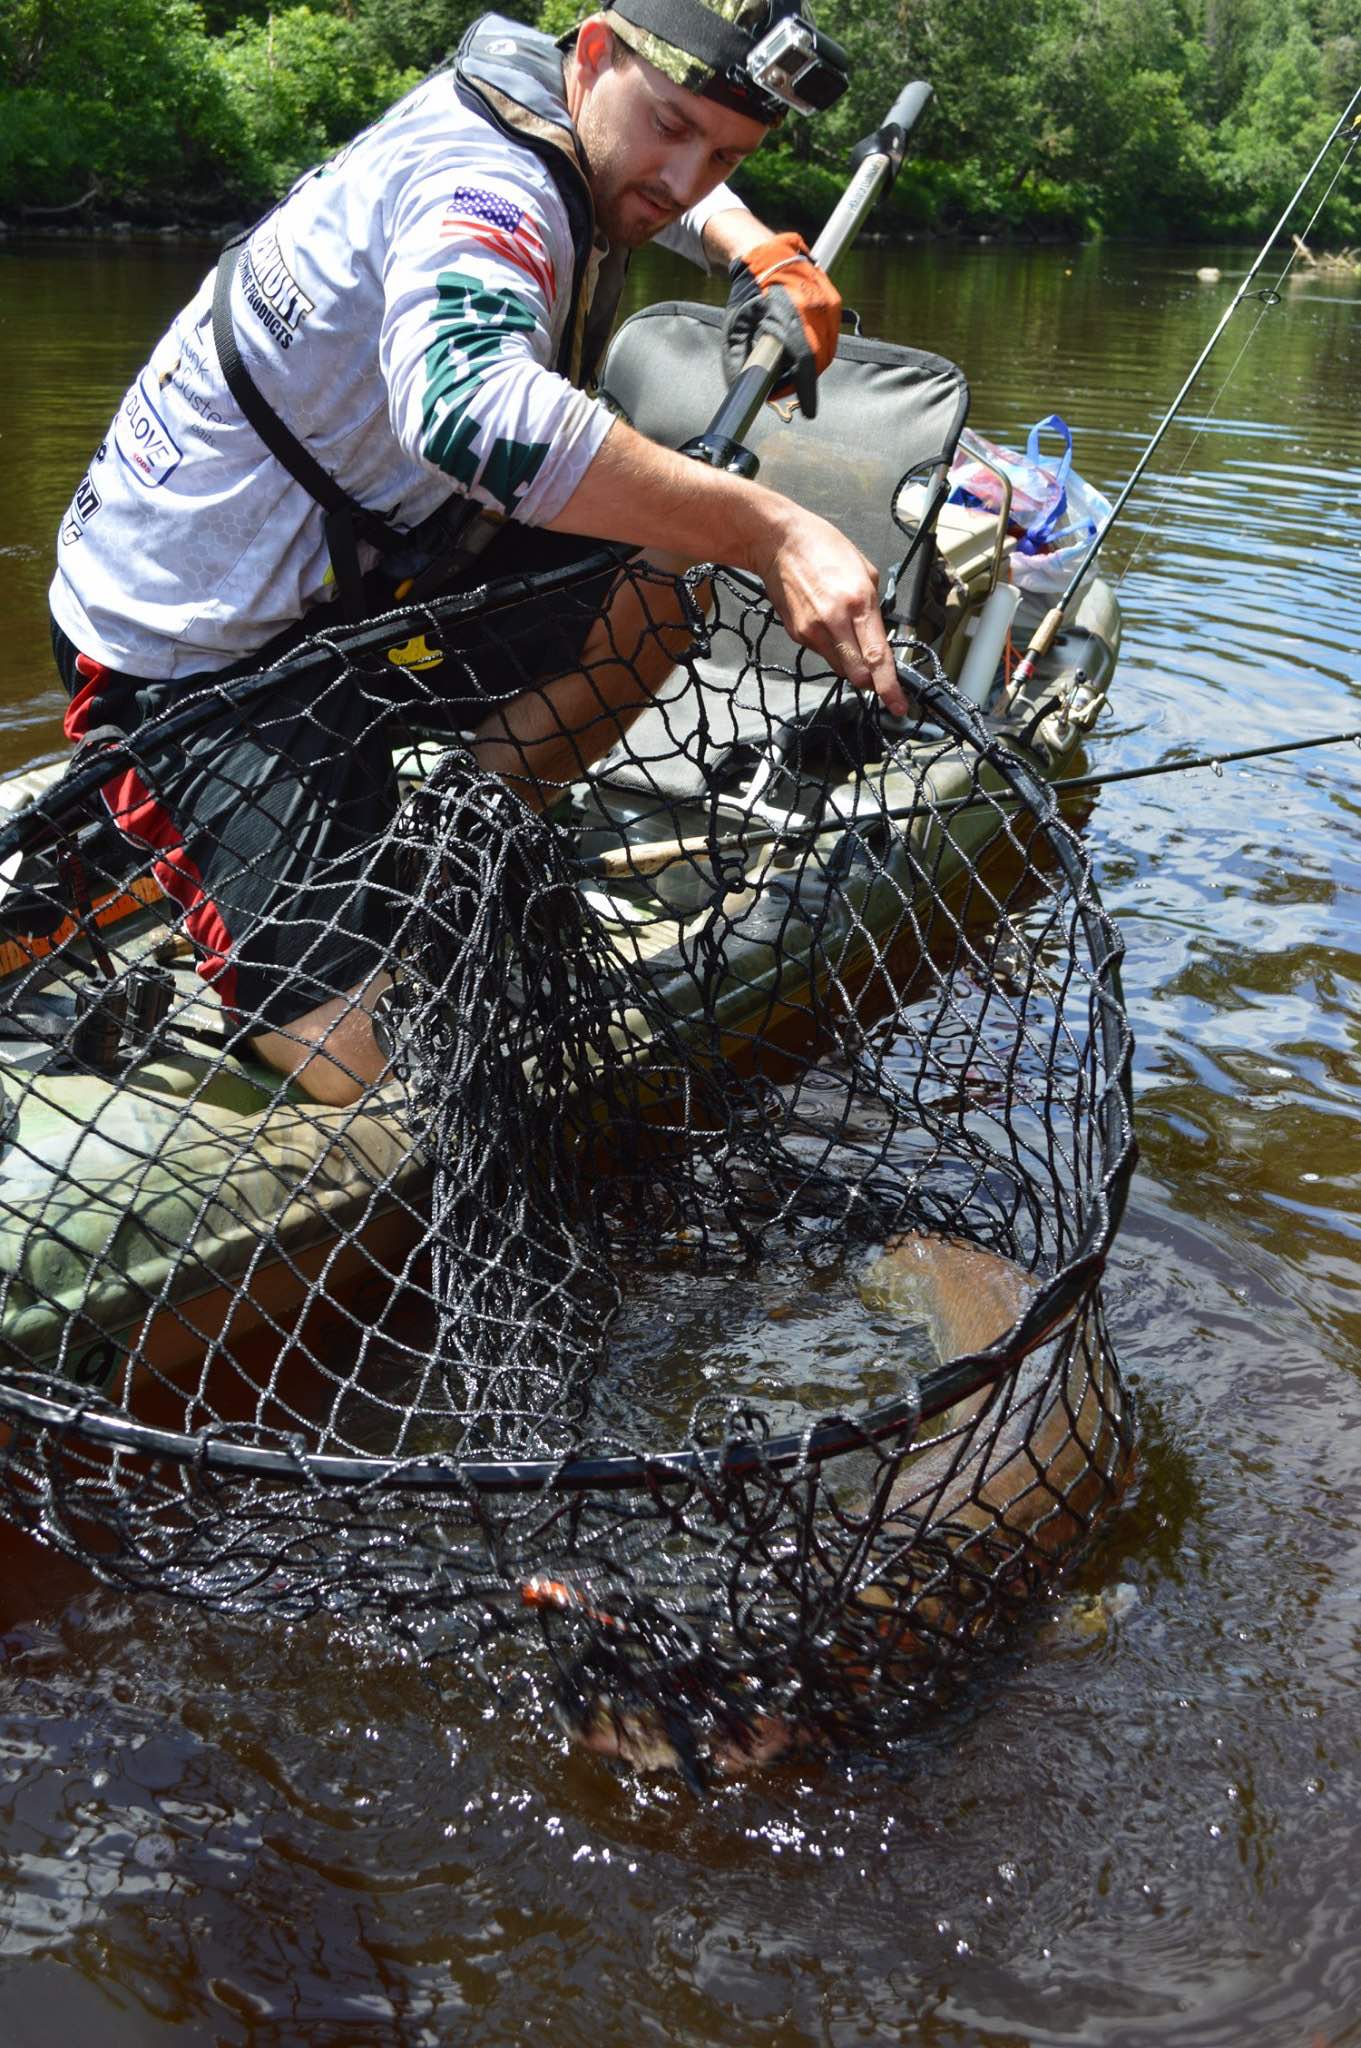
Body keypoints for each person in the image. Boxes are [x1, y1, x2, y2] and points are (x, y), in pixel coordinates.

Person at [50, 0, 907, 1106]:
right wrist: (772, 527)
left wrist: (757, 251)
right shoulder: (485, 187)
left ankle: (455, 857)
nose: (685, 177)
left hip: (354, 581)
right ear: (592, 50)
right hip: (185, 652)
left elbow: (655, 171)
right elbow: (465, 409)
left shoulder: (550, 100)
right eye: (670, 126)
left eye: (726, 155)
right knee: (354, 1069)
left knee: (662, 573)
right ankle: (234, 868)